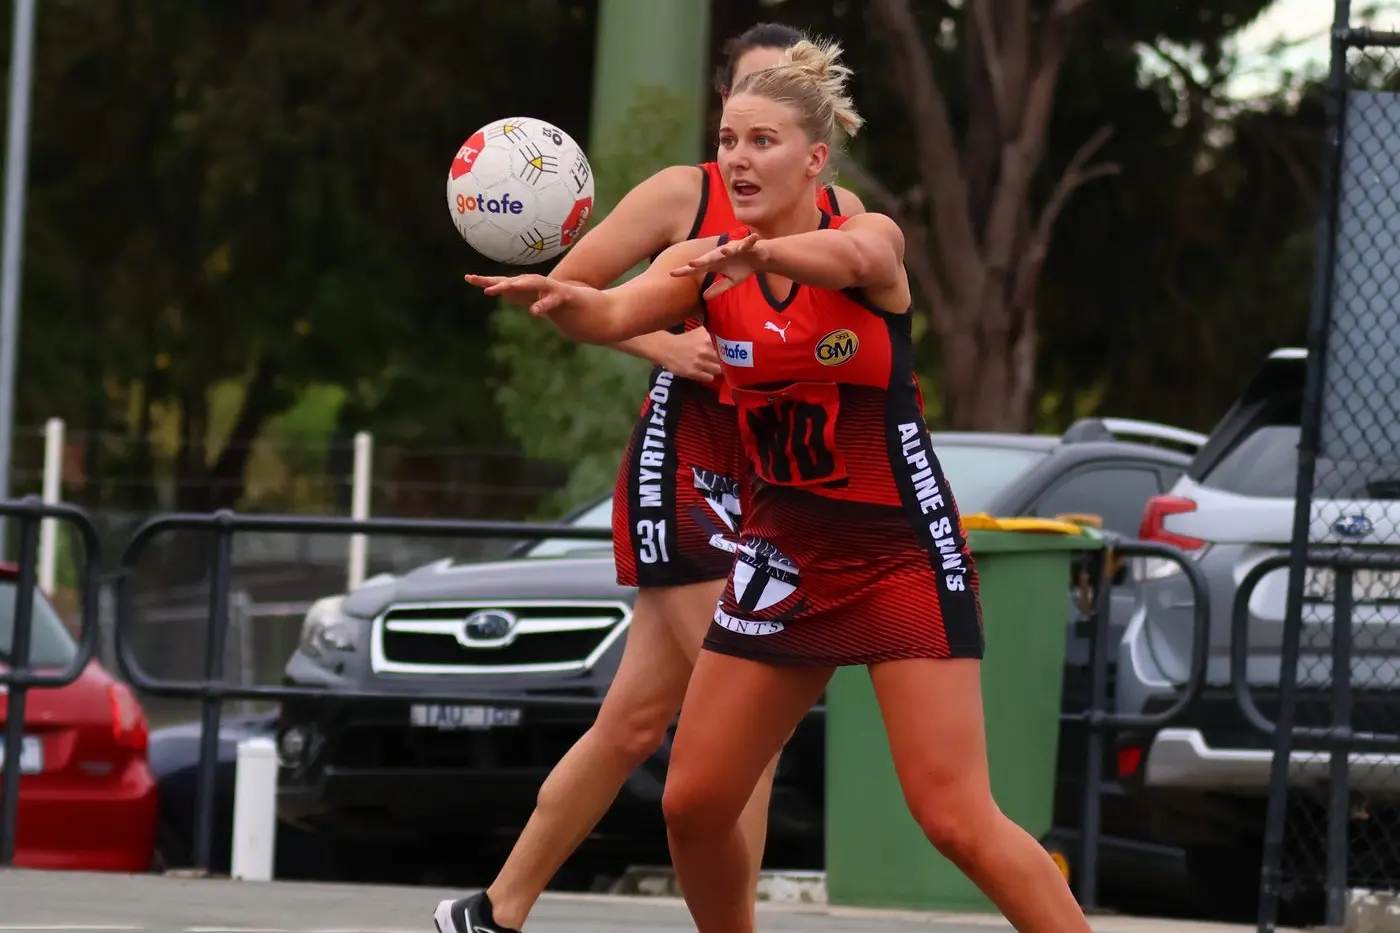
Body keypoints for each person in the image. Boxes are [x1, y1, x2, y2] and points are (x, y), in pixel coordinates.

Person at [462, 36, 1093, 933]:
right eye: (728, 140)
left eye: (762, 142)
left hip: (897, 554)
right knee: (696, 800)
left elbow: (854, 264)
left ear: (814, 158)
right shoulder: (707, 262)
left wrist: (762, 257)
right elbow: (613, 309)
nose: (739, 158)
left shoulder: (867, 235)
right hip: (785, 554)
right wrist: (560, 298)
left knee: (953, 817)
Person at [433, 23, 865, 933]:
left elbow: (865, 343)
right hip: (685, 468)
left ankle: (492, 912)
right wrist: (667, 341)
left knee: (634, 725)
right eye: (739, 119)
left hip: (772, 480)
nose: (751, 141)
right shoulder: (684, 195)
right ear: (723, 104)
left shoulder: (841, 218)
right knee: (745, 706)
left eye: (775, 120)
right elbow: (573, 293)